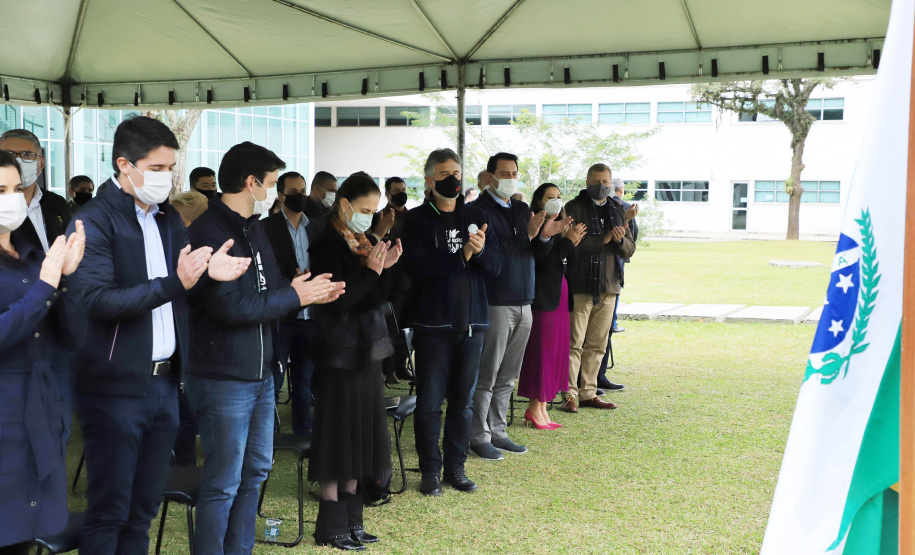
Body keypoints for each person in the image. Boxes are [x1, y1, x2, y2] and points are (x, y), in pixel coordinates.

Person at [70, 115, 248, 554]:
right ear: (124, 165)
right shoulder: (93, 220)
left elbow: (181, 288)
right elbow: (97, 300)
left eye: (171, 168)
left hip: (166, 384)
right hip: (114, 386)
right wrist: (179, 283)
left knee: (144, 509)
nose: (165, 178)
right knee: (110, 509)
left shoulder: (169, 218)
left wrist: (210, 277)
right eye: (156, 169)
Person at [185, 141, 343, 554]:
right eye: (271, 184)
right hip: (223, 375)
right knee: (223, 480)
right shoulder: (209, 230)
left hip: (261, 371)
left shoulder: (252, 228)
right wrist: (295, 298)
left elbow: (272, 289)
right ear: (250, 182)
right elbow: (228, 306)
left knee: (255, 471)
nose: (274, 193)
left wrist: (305, 291)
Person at [401, 148, 503, 496]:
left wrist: (482, 251)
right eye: (444, 174)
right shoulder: (415, 221)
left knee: (463, 401)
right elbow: (420, 269)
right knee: (430, 403)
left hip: (472, 324)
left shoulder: (476, 216)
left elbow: (497, 268)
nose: (453, 180)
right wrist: (463, 255)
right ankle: (430, 470)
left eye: (457, 172)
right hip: (433, 328)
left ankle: (455, 468)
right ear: (429, 180)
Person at [308, 173, 402, 550]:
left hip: (366, 352)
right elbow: (341, 301)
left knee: (361, 437)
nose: (369, 216)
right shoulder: (326, 242)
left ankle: (352, 520)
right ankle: (330, 523)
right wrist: (371, 272)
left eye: (372, 210)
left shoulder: (362, 242)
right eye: (364, 209)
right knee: (337, 439)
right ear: (344, 204)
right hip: (337, 354)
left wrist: (385, 268)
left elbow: (376, 297)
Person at [0, 151, 86, 554]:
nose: (11, 198)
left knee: (28, 534)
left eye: (17, 189)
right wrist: (45, 287)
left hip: (38, 407)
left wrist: (65, 281)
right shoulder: (39, 272)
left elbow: (70, 338)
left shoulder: (33, 255)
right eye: (0, 190)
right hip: (5, 411)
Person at [469, 153, 567, 460]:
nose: (510, 178)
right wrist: (527, 235)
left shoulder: (522, 208)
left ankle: (497, 431)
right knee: (487, 375)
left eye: (514, 172)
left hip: (526, 300)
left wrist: (545, 237)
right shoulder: (477, 211)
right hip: (496, 301)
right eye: (504, 173)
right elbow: (491, 257)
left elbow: (533, 251)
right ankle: (478, 434)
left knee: (507, 376)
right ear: (491, 176)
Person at [561, 163, 637, 413]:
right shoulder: (574, 207)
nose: (601, 186)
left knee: (597, 344)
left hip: (609, 284)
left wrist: (617, 240)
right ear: (587, 181)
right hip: (580, 284)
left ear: (611, 182)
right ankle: (569, 395)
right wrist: (604, 239)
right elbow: (573, 244)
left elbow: (629, 249)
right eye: (596, 181)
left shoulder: (618, 208)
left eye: (605, 181)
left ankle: (589, 393)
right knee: (574, 343)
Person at [518, 184, 586, 428]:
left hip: (561, 295)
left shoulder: (562, 226)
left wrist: (573, 242)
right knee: (542, 353)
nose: (556, 201)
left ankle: (544, 407)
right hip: (543, 298)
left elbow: (569, 264)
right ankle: (533, 408)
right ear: (539, 201)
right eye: (550, 197)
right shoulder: (536, 225)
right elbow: (544, 261)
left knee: (556, 352)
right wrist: (567, 242)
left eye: (558, 197)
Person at [263, 170, 321, 435]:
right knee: (274, 380)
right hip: (281, 315)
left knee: (304, 381)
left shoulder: (317, 225)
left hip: (311, 317)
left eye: (303, 192)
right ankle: (269, 436)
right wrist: (289, 281)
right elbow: (264, 270)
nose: (300, 197)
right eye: (293, 193)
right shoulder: (266, 228)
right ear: (280, 196)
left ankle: (303, 433)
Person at [597, 178, 640, 392]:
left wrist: (619, 238)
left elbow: (631, 244)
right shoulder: (581, 208)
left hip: (613, 276)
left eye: (604, 180)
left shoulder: (623, 209)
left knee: (606, 331)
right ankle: (584, 382)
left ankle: (599, 376)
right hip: (587, 279)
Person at [370, 176, 412, 385]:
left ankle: (402, 364)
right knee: (391, 326)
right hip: (390, 281)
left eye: (403, 189)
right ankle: (389, 368)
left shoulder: (412, 217)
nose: (401, 193)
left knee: (407, 324)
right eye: (397, 190)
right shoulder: (380, 217)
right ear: (387, 194)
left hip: (410, 280)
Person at [1, 129, 71, 254]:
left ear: (42, 163)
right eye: (9, 154)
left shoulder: (57, 203)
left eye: (27, 154)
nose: (18, 161)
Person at [306, 171, 338, 236]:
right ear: (317, 189)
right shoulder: (302, 211)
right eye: (331, 191)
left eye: (335, 192)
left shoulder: (330, 212)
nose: (333, 195)